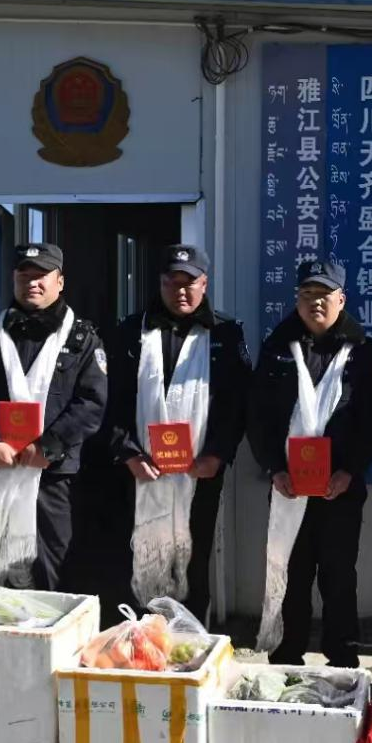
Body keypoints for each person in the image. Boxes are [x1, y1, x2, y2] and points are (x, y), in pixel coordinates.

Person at [90, 244, 250, 625]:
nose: (180, 290)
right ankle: (138, 639)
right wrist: (128, 452)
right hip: (138, 472)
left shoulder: (225, 333)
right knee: (135, 555)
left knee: (193, 556)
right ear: (160, 283)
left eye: (189, 282)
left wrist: (217, 455)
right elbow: (110, 399)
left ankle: (189, 641)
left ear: (204, 284)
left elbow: (238, 403)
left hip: (199, 473)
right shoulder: (131, 331)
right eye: (172, 282)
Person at [248, 258, 372, 668]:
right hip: (288, 485)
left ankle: (342, 657)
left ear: (341, 299)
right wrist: (273, 467)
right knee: (291, 572)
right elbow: (257, 416)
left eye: (324, 294)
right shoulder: (277, 348)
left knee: (339, 574)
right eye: (307, 294)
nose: (315, 302)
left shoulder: (361, 352)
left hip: (339, 488)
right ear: (297, 299)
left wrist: (350, 470)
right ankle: (286, 656)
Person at [0, 243, 107, 591]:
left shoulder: (82, 338)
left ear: (60, 281)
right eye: (24, 275)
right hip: (2, 467)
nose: (32, 283)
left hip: (54, 473)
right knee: (2, 564)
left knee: (53, 566)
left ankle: (51, 627)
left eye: (41, 275)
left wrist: (48, 447)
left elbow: (92, 403)